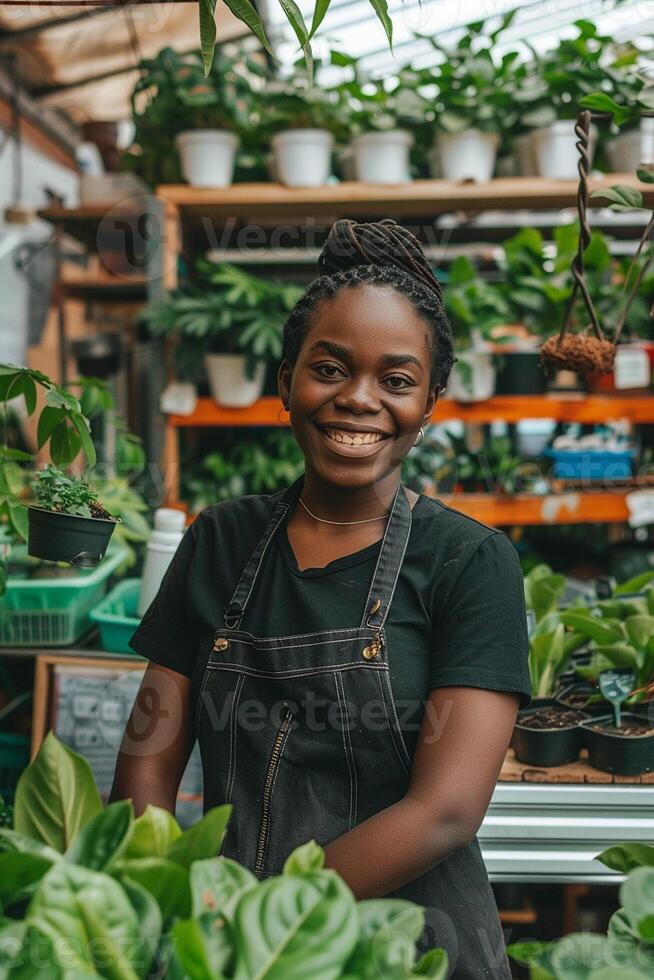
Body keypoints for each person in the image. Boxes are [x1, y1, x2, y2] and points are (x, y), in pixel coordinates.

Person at [110, 218, 531, 979]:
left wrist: (264, 926)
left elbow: (445, 812)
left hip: (409, 949)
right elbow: (146, 757)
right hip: (222, 942)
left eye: (396, 381)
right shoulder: (218, 542)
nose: (357, 400)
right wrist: (162, 905)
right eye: (329, 368)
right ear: (285, 382)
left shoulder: (471, 563)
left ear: (430, 402)